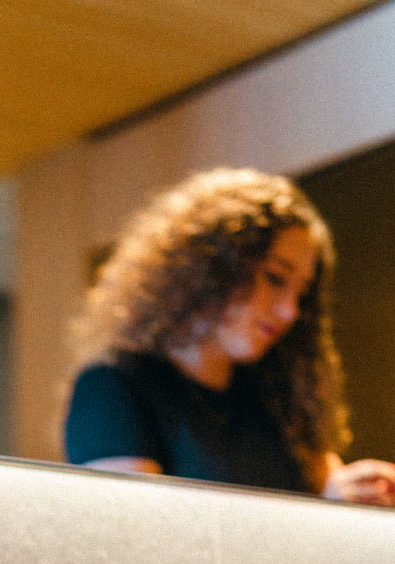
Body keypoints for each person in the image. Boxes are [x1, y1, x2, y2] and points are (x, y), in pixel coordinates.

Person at [63, 167, 395, 505]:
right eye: (275, 279)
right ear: (210, 267)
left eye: (301, 293)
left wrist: (358, 493)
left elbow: (328, 489)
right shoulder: (113, 386)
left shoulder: (275, 393)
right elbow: (139, 529)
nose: (290, 311)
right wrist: (323, 509)